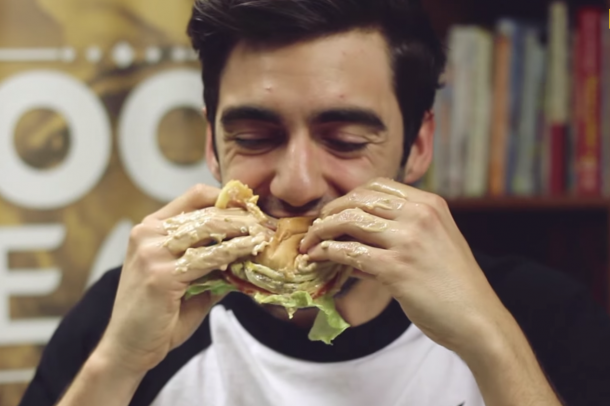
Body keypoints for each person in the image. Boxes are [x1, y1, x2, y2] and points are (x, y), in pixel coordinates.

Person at [18, 0, 610, 405]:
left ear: (418, 146)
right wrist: (118, 365)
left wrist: (492, 343)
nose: (297, 184)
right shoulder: (130, 314)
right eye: (254, 137)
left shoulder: (542, 316)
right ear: (212, 146)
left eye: (346, 140)